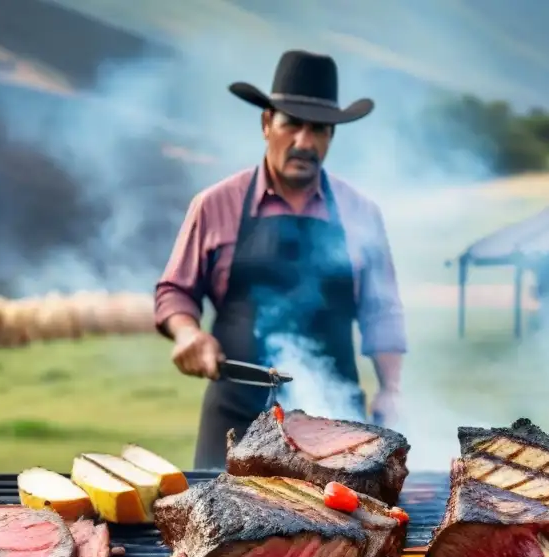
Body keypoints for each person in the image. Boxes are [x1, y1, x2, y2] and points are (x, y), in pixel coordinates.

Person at [154, 50, 407, 469]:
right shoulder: (216, 204)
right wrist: (186, 334)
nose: (305, 143)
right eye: (292, 124)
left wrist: (391, 387)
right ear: (266, 124)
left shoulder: (360, 212)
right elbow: (175, 291)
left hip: (335, 424)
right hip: (235, 422)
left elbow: (382, 311)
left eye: (319, 130)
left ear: (331, 136)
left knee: (341, 533)